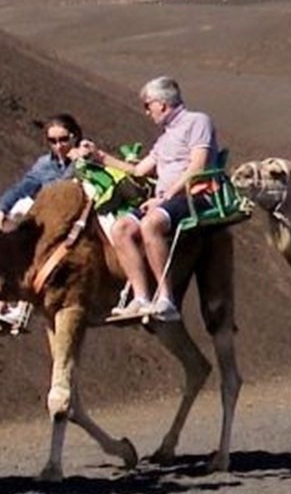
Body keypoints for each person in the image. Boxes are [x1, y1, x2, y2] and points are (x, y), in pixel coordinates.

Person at [82, 77, 219, 324]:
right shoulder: (165, 138)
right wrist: (100, 157)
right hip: (165, 200)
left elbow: (197, 167)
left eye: (148, 105)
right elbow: (139, 170)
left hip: (194, 194)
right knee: (120, 228)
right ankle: (141, 297)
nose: (146, 111)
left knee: (151, 224)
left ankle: (166, 299)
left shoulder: (197, 122)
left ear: (162, 104)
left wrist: (165, 197)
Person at [0, 114, 84, 331]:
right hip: (44, 213)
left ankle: (21, 304)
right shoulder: (44, 164)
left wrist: (80, 160)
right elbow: (23, 187)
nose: (59, 146)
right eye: (52, 141)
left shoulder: (84, 160)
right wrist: (1, 207)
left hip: (69, 217)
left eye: (63, 139)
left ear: (74, 136)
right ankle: (1, 307)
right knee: (10, 235)